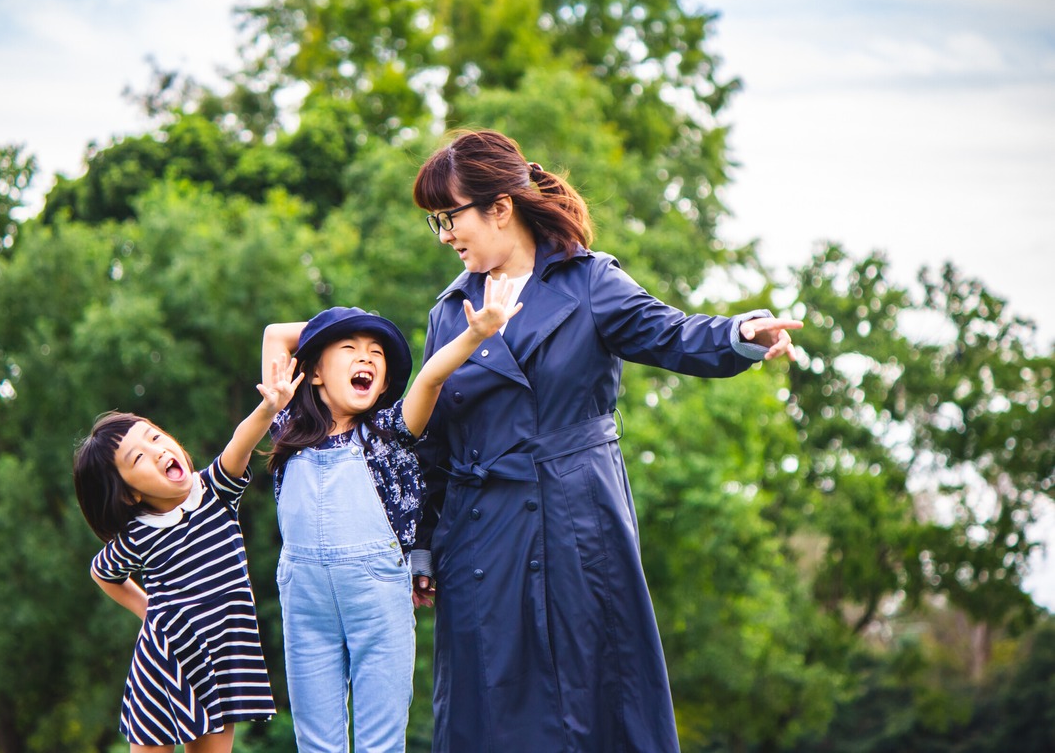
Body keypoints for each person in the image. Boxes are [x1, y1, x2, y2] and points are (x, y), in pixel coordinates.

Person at [410, 129, 804, 753]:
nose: (445, 236)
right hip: (480, 539)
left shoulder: (589, 282)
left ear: (500, 207)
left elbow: (672, 334)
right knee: (488, 712)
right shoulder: (447, 312)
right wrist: (423, 549)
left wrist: (741, 333)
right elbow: (432, 444)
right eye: (436, 222)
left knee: (594, 702)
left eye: (449, 217)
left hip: (577, 526)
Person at [260, 280, 521, 753]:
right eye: (349, 349)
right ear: (314, 372)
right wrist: (327, 331)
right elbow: (276, 334)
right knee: (315, 741)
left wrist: (476, 334)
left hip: (378, 597)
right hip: (305, 603)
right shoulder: (285, 424)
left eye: (377, 353)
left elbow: (430, 378)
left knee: (380, 742)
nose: (366, 357)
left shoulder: (392, 431)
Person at [72, 355, 300, 753]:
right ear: (130, 493)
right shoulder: (138, 534)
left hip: (224, 654)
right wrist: (149, 612)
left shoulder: (214, 491)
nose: (157, 450)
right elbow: (102, 573)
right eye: (138, 458)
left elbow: (240, 442)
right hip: (163, 664)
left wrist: (268, 408)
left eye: (155, 437)